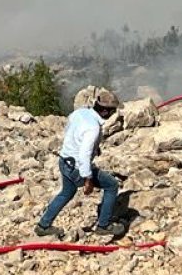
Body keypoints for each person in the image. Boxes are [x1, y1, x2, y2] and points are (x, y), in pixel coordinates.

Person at [35, 89, 125, 238]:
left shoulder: (80, 113)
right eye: (112, 111)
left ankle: (43, 225)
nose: (113, 114)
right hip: (77, 166)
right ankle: (104, 225)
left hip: (64, 160)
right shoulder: (93, 128)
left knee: (66, 193)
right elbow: (84, 155)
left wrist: (94, 148)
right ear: (104, 111)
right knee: (111, 185)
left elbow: (72, 131)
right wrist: (88, 179)